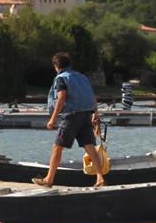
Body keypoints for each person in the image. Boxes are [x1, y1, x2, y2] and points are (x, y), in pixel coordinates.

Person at [34, 52, 105, 188]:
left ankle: (49, 180)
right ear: (69, 64)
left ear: (56, 66)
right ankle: (100, 178)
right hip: (86, 114)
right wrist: (96, 114)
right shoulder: (82, 77)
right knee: (90, 147)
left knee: (57, 147)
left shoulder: (61, 78)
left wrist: (52, 119)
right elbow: (93, 97)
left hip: (71, 116)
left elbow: (61, 97)